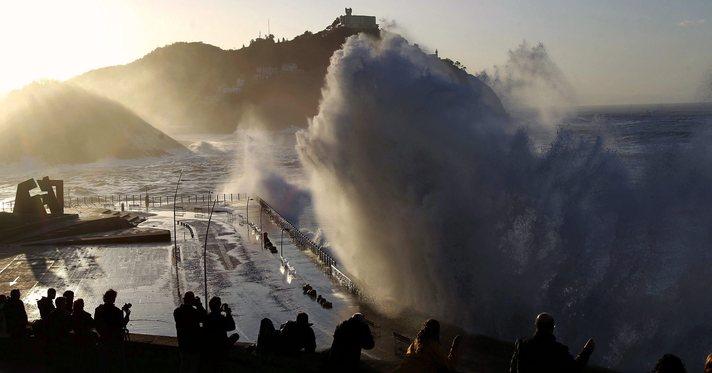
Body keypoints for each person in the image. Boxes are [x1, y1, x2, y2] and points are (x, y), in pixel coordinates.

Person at [509, 313, 595, 373]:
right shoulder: (558, 351)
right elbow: (574, 368)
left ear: (536, 326)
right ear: (552, 328)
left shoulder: (522, 345)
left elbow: (513, 368)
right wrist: (586, 351)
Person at [395, 319, 461, 373]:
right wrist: (455, 346)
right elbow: (449, 365)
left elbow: (409, 356)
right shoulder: (433, 345)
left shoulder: (416, 343)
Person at [203, 297, 239, 371]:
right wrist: (228, 314)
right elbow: (232, 327)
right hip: (222, 347)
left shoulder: (207, 318)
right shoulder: (221, 318)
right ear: (218, 307)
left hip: (210, 347)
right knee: (236, 336)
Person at [174, 291, 207, 373]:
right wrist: (199, 305)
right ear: (192, 301)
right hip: (193, 347)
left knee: (183, 367)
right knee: (193, 368)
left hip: (182, 345)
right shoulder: (194, 312)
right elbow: (204, 318)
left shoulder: (177, 312)